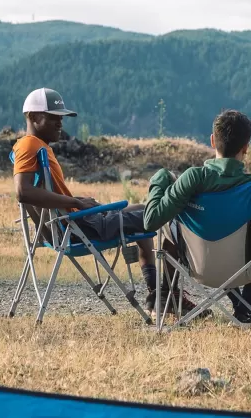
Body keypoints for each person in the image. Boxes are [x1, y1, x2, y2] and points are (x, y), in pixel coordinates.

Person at [143, 109, 251, 322]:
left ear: (212, 141)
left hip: (195, 269)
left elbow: (151, 220)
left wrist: (160, 179)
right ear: (246, 147)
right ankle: (245, 304)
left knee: (169, 224)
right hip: (245, 271)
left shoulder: (192, 179)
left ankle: (167, 293)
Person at [12, 87, 158, 310]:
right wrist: (76, 203)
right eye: (53, 118)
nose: (60, 124)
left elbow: (39, 192)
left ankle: (155, 294)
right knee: (157, 213)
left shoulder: (37, 147)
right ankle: (162, 293)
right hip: (79, 228)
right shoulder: (29, 145)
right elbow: (23, 192)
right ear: (33, 117)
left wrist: (77, 200)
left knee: (142, 208)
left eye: (61, 118)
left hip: (74, 223)